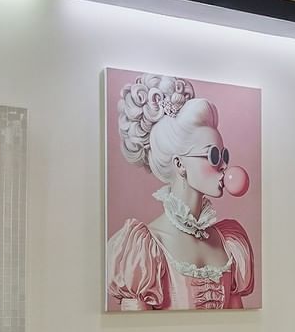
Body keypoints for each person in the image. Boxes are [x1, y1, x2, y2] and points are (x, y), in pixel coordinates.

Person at [105, 74, 254, 310]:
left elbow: (242, 328)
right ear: (179, 164)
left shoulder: (230, 243)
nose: (224, 166)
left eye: (224, 156)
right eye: (213, 155)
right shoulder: (143, 249)